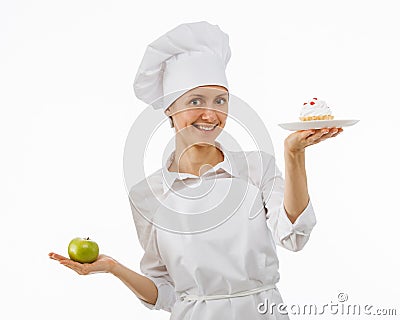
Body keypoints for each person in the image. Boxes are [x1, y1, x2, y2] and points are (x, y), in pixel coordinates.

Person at [49, 21, 343, 319]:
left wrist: (293, 154)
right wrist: (113, 267)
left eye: (220, 101)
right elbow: (164, 293)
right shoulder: (147, 195)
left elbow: (294, 237)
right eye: (195, 101)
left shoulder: (256, 168)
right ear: (169, 108)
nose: (210, 114)